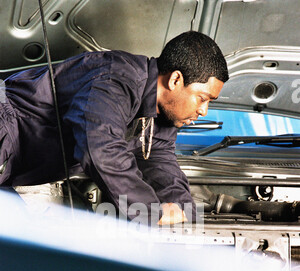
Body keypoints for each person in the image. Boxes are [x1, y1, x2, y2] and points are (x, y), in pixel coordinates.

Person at [0, 31, 228, 225]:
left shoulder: (160, 115)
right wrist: (151, 212)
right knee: (18, 242)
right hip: (5, 131)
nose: (204, 111)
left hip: (18, 163)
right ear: (175, 80)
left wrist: (184, 209)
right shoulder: (116, 79)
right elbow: (100, 147)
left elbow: (158, 158)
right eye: (202, 98)